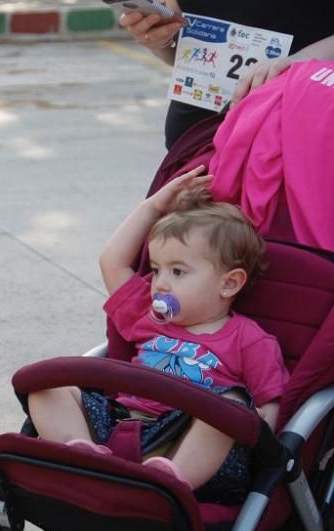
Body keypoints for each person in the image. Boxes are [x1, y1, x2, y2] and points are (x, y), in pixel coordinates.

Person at [27, 166, 288, 504]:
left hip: (188, 439)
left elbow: (268, 409)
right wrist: (153, 207)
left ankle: (173, 480)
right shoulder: (146, 316)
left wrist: (253, 447)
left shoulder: (250, 340)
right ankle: (80, 453)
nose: (160, 283)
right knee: (46, 385)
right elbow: (112, 262)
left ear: (229, 283)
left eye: (177, 271)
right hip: (122, 424)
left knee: (234, 407)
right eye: (155, 270)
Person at [118, 0, 334, 148]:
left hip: (292, 143)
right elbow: (180, 52)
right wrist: (159, 40)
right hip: (195, 142)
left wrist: (302, 60)